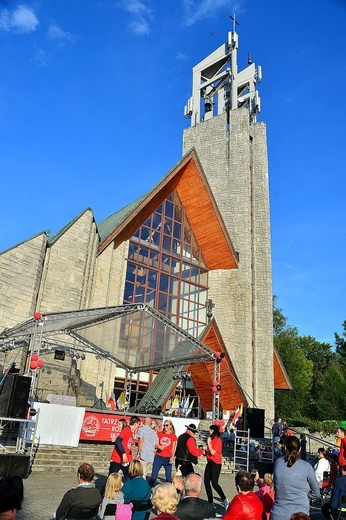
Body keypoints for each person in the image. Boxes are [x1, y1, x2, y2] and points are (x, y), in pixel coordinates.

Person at [270, 436, 319, 520]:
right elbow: (317, 493)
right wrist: (305, 496)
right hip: (300, 514)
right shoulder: (306, 466)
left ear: (285, 448)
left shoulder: (278, 463)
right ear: (300, 449)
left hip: (278, 513)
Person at [203, 424, 228, 510]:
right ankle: (210, 502)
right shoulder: (212, 440)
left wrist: (209, 443)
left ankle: (224, 499)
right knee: (206, 482)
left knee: (214, 483)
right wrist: (204, 452)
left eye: (210, 430)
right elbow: (209, 452)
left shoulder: (218, 440)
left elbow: (213, 452)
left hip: (216, 463)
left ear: (213, 431)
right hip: (209, 462)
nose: (209, 432)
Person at [109, 416, 141, 482]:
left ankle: (129, 491)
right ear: (135, 424)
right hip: (117, 459)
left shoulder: (130, 432)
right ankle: (104, 492)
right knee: (110, 480)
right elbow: (118, 441)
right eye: (138, 424)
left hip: (126, 461)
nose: (138, 426)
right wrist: (123, 454)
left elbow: (127, 442)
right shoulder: (126, 430)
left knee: (129, 479)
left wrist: (132, 444)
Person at [149, 419, 177, 487]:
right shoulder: (159, 434)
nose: (165, 427)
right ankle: (148, 490)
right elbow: (154, 444)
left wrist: (173, 457)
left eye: (167, 425)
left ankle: (170, 492)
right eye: (164, 425)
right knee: (153, 476)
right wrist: (158, 446)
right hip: (158, 457)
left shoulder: (173, 436)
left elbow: (173, 448)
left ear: (170, 426)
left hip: (167, 458)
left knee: (168, 477)